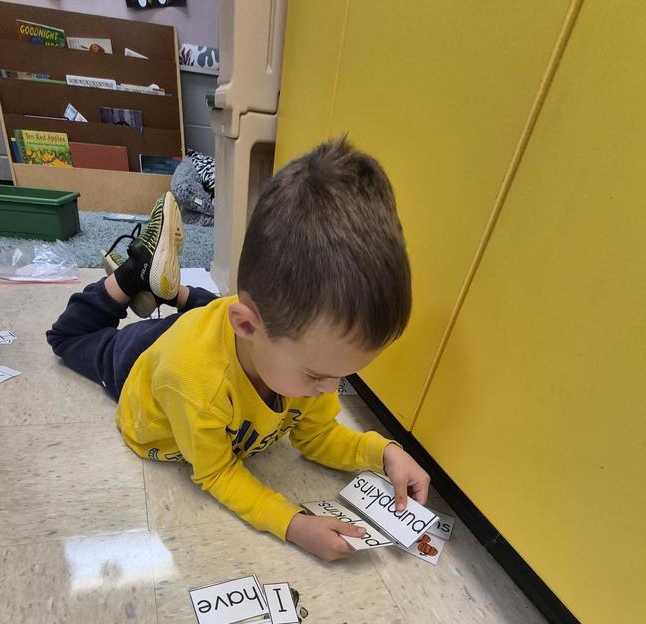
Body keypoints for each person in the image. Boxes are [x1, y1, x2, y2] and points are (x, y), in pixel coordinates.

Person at [46, 138, 430, 561]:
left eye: (341, 375)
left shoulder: (305, 356)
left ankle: (176, 293)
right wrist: (293, 523)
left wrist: (383, 452)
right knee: (70, 340)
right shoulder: (194, 384)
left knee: (227, 310)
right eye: (318, 375)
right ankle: (134, 275)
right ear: (248, 326)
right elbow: (217, 472)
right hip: (143, 360)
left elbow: (316, 436)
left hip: (224, 327)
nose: (330, 389)